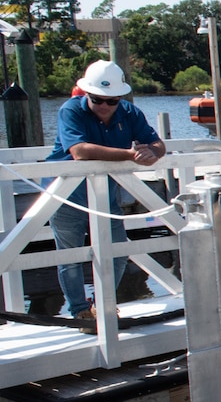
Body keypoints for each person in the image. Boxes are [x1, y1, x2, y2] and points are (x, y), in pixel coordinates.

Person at [47, 60, 166, 319]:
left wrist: (152, 152)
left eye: (111, 101)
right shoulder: (70, 110)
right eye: (97, 99)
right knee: (70, 257)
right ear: (86, 94)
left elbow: (158, 143)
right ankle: (80, 312)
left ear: (120, 97)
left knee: (119, 252)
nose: (104, 106)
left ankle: (101, 305)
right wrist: (130, 154)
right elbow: (79, 151)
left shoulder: (130, 113)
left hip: (104, 196)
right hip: (65, 195)